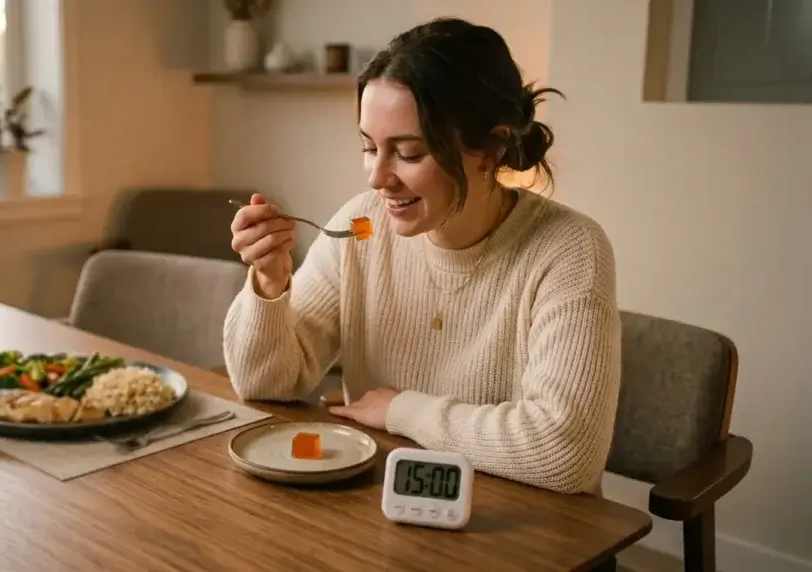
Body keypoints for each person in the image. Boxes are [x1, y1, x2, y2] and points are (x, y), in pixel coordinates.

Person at [223, 17, 620, 503]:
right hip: (384, 510)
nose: (377, 177)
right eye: (369, 148)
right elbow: (266, 384)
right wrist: (269, 283)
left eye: (408, 153)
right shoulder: (361, 226)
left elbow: (565, 452)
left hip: (523, 530)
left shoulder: (569, 249)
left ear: (490, 151)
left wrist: (401, 412)